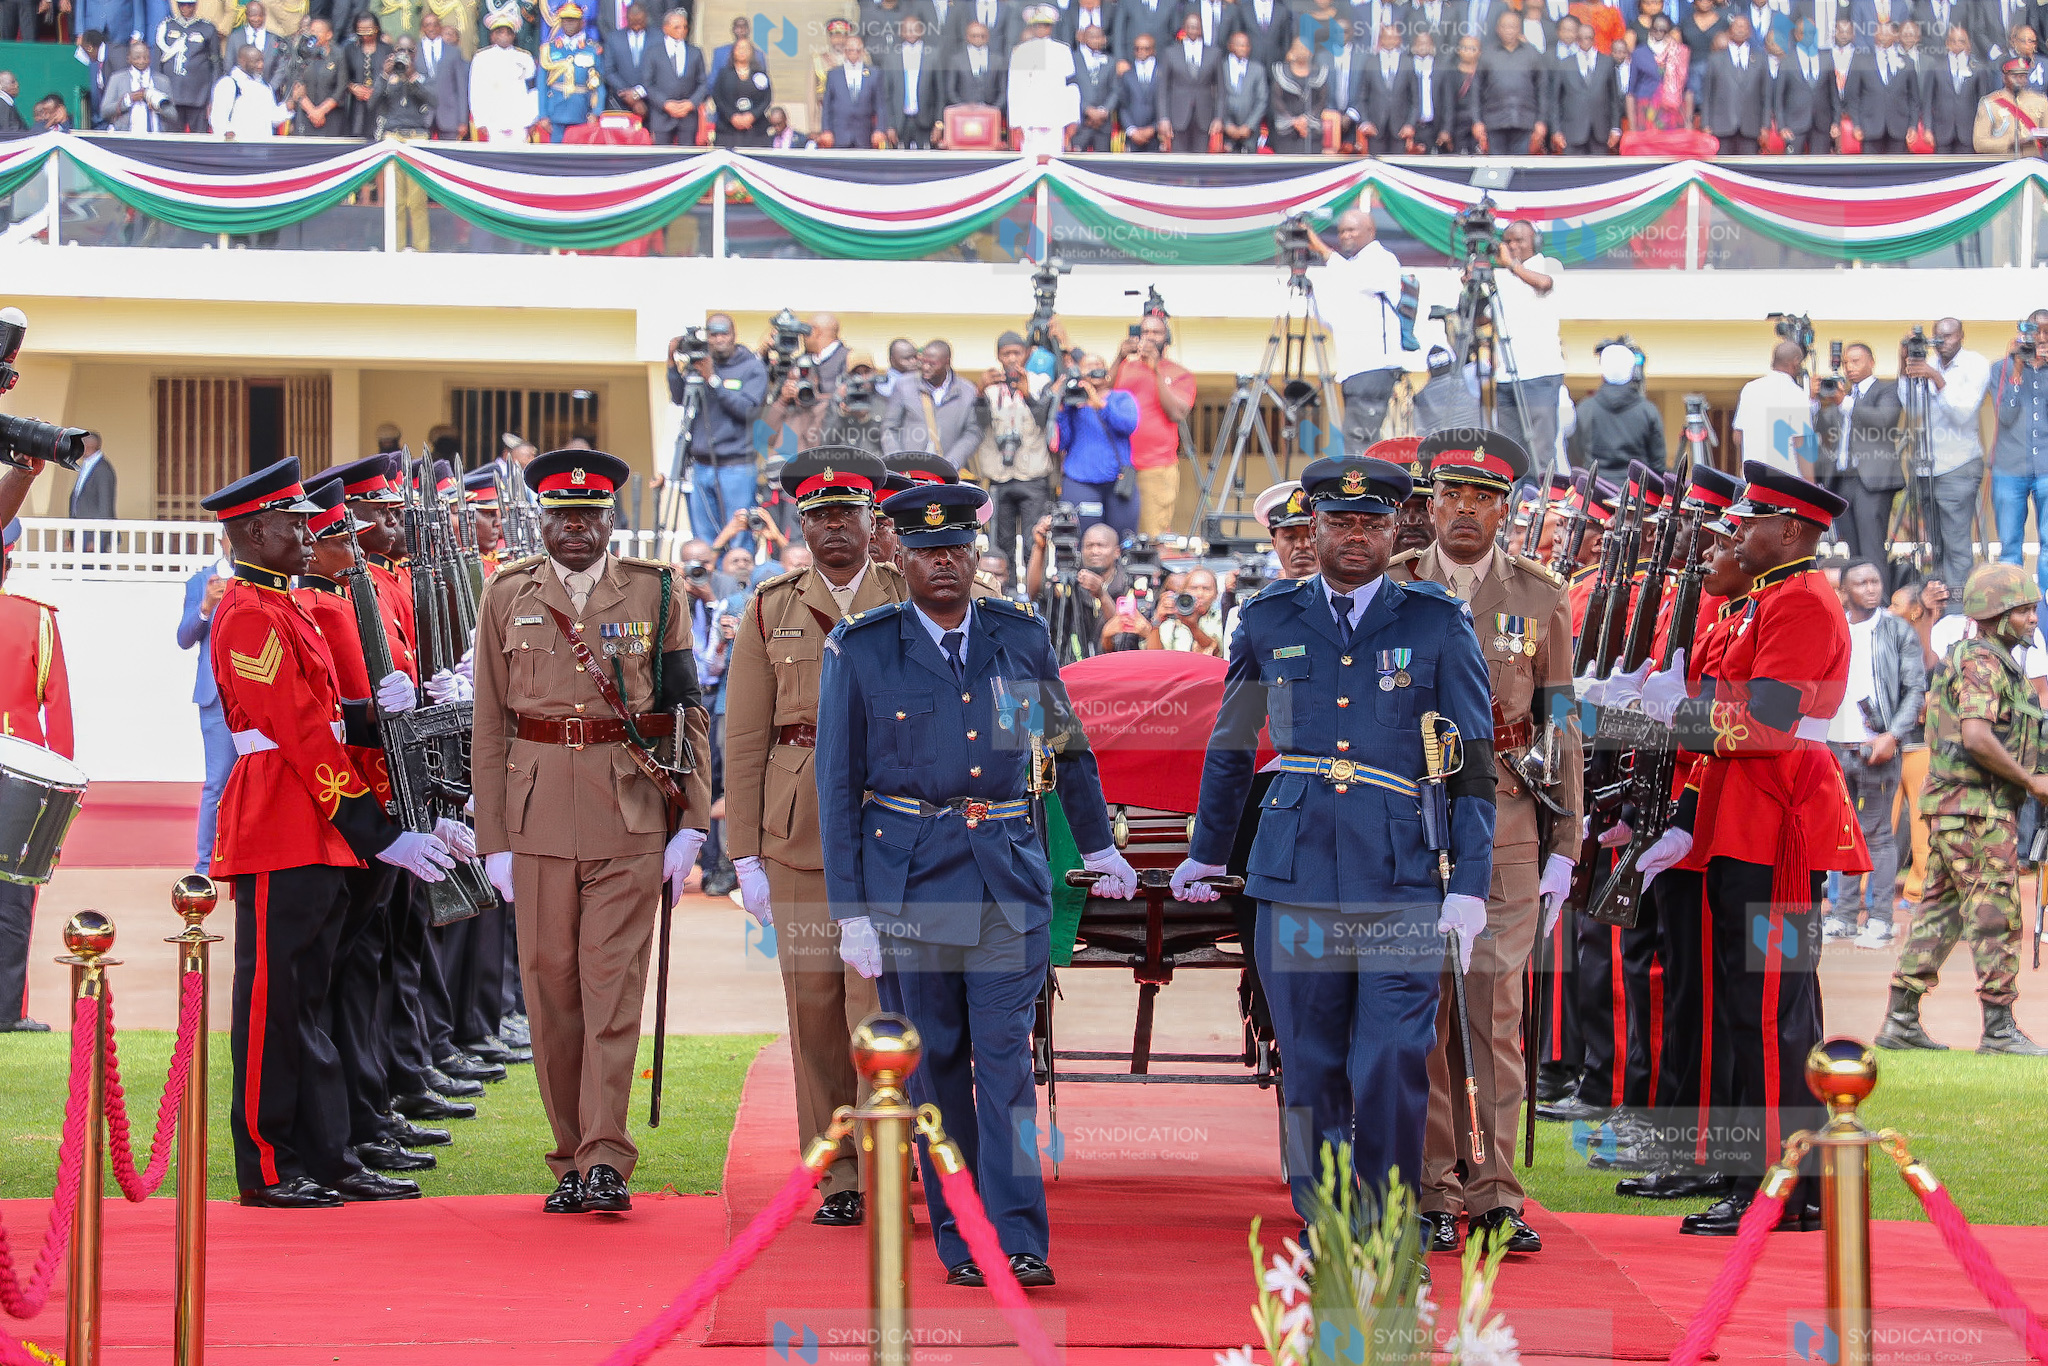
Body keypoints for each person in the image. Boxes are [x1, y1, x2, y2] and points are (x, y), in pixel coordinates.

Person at [815, 480, 1136, 1288]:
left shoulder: (1018, 640)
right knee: (939, 1069)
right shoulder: (863, 649)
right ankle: (966, 1243)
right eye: (928, 552)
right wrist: (852, 914)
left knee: (1007, 1066)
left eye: (959, 549)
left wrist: (1099, 848)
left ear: (978, 555)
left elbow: (1065, 751)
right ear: (901, 556)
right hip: (913, 881)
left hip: (1005, 874)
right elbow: (835, 788)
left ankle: (1022, 1239)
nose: (946, 564)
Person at [1172, 452, 1496, 1244]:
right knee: (1310, 1064)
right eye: (1340, 522)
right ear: (1309, 529)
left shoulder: (1435, 621)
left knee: (1391, 1058)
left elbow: (1474, 758)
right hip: (1294, 867)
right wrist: (1208, 849)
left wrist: (1471, 883)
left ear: (1395, 531)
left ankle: (1387, 1219)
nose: (1357, 536)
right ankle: (1324, 1220)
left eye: (1373, 523)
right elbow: (1231, 739)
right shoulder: (1267, 618)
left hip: (1403, 873)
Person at [1615, 460, 1865, 1237]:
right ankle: (1756, 1165)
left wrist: (1674, 715)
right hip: (1742, 823)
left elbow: (1765, 727)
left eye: (1751, 522)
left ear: (1791, 530)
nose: (1736, 532)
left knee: (1769, 1011)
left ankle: (1786, 1184)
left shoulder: (1801, 603)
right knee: (1747, 1004)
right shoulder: (1770, 600)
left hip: (1778, 829)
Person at [200, 458, 457, 1209]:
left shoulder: (289, 607)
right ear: (252, 530)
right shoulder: (250, 612)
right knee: (275, 1005)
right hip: (282, 820)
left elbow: (337, 722)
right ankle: (268, 1165)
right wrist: (379, 831)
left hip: (316, 822)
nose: (309, 535)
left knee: (311, 999)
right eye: (293, 523)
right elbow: (303, 735)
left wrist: (391, 720)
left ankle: (329, 1152)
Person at [471, 450, 712, 1215]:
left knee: (612, 988)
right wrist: (494, 838)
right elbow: (487, 721)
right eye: (562, 517)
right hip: (537, 813)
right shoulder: (507, 592)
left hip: (629, 811)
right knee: (551, 990)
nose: (576, 530)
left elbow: (684, 709)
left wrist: (693, 820)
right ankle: (569, 1154)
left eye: (591, 516)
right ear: (541, 520)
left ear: (611, 520)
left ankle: (606, 1157)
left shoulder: (655, 588)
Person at [1385, 428, 1579, 1257]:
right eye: (1452, 496)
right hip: (1411, 819)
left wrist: (1566, 837)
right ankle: (1434, 1186)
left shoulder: (1539, 595)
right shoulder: (1392, 587)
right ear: (1427, 504)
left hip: (1504, 823)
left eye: (1485, 499)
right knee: (1426, 1009)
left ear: (1506, 509)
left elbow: (1563, 719)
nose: (1467, 512)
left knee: (1497, 1013)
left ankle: (1497, 1190)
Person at [724, 449, 906, 1228]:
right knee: (815, 1006)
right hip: (798, 832)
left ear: (874, 521)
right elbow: (744, 734)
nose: (835, 528)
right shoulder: (770, 606)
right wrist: (742, 852)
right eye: (820, 516)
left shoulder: (908, 592)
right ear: (799, 525)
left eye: (849, 514)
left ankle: (886, 1164)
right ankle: (836, 1177)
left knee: (882, 1000)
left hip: (889, 823)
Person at [1877, 564, 2048, 1056]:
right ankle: (1998, 1029)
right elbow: (1976, 735)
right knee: (1997, 913)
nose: (2033, 619)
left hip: (1963, 808)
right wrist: (2032, 782)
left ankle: (1900, 1019)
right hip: (1975, 809)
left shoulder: (1992, 660)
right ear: (1997, 616)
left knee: (1939, 914)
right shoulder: (1983, 662)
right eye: (2024, 611)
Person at [1823, 559, 1925, 948]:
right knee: (1841, 833)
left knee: (1879, 834)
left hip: (1876, 747)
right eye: (1861, 583)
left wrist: (1893, 737)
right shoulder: (1830, 628)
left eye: (1874, 581)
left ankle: (1880, 918)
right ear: (1845, 592)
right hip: (1833, 746)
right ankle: (1845, 915)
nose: (1871, 588)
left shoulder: (1897, 630)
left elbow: (1915, 689)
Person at [0, 519, 69, 1035]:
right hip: (20, 776)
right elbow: (58, 715)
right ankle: (6, 1009)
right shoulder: (35, 619)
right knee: (13, 894)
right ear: (12, 553)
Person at [1901, 318, 1991, 612]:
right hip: (1927, 465)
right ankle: (1938, 606)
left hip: (1959, 464)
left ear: (1961, 335)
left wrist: (1936, 379)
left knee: (1956, 543)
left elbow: (1964, 414)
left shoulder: (1975, 364)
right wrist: (1904, 367)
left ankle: (1959, 610)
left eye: (1949, 336)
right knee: (1935, 545)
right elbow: (1911, 408)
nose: (1943, 342)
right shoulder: (1927, 361)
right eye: (1938, 337)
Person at [1310, 208, 1410, 456]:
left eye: (1352, 229)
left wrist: (1322, 250)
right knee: (1356, 441)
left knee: (1359, 442)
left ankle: (1360, 493)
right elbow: (1331, 319)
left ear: (1370, 231)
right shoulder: (1348, 269)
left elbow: (1358, 278)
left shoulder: (1382, 259)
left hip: (1374, 367)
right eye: (1341, 231)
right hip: (1354, 369)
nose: (1345, 236)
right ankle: (1360, 489)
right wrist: (1310, 292)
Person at [670, 313, 768, 552]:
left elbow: (748, 411)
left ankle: (738, 586)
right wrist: (671, 363)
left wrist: (713, 380)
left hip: (736, 466)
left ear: (734, 335)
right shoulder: (699, 363)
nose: (720, 339)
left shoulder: (751, 367)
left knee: (738, 537)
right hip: (702, 465)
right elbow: (678, 396)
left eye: (725, 333)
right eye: (714, 334)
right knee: (705, 539)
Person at [1812, 342, 1905, 590]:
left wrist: (1846, 404)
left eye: (1856, 361)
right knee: (1852, 551)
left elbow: (1885, 422)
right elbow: (1823, 429)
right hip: (1842, 481)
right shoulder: (1841, 396)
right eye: (1846, 363)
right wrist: (1816, 401)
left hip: (1872, 481)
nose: (1850, 368)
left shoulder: (1886, 390)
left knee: (1872, 548)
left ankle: (1880, 607)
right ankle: (1856, 606)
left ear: (1871, 362)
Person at [1484, 221, 1567, 477]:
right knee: (1509, 454)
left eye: (1519, 240)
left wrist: (1511, 265)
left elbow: (1544, 284)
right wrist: (1471, 288)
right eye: (1508, 241)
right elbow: (1482, 319)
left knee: (1540, 451)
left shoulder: (1548, 264)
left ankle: (1543, 510)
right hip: (1507, 377)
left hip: (1540, 374)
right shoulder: (1503, 277)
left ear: (1535, 242)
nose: (1512, 246)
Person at [972, 332, 1057, 565]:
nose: (1011, 358)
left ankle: (1032, 594)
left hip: (1033, 475)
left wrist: (1028, 394)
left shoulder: (1041, 382)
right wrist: (979, 392)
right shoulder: (988, 386)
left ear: (1026, 354)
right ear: (998, 355)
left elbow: (1045, 422)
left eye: (1016, 353)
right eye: (1005, 353)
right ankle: (1004, 593)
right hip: (1000, 476)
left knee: (1034, 541)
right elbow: (979, 425)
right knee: (1000, 542)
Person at [1111, 312, 1194, 538]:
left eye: (1156, 332)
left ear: (1167, 338)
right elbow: (1102, 395)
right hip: (1120, 466)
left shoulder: (1179, 374)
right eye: (1144, 331)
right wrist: (1119, 358)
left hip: (1156, 467)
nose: (1149, 337)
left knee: (1150, 537)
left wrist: (1156, 368)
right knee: (1118, 536)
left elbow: (1177, 412)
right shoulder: (1126, 367)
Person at [179, 551, 236, 876]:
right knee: (217, 782)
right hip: (216, 696)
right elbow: (184, 638)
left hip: (256, 693)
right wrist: (205, 608)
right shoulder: (201, 581)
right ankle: (204, 868)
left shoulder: (262, 577)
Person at [1991, 310, 2048, 596]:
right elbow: (2004, 416)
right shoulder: (2000, 368)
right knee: (2010, 545)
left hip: (2047, 468)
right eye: (2035, 332)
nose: (2040, 338)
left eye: (2046, 332)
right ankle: (2011, 603)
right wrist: (2016, 369)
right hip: (2009, 468)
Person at [1052, 353, 1140, 539]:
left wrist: (1099, 403)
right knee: (1081, 540)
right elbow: (1062, 443)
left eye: (1097, 364)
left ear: (1107, 373)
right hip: (1081, 481)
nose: (1093, 369)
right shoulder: (1073, 403)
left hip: (1118, 483)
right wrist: (1061, 408)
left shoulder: (1121, 398)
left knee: (1122, 539)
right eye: (1087, 366)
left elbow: (1128, 424)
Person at [1026, 518, 1129, 663]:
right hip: (1073, 662)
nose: (1095, 551)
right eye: (1089, 546)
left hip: (1112, 665)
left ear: (1117, 551)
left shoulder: (1126, 582)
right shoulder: (1070, 580)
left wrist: (1101, 594)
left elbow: (1122, 634)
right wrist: (1039, 547)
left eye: (1101, 546)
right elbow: (1034, 593)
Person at [881, 340, 984, 471]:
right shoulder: (904, 385)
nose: (925, 367)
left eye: (932, 364)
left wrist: (952, 463)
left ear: (947, 362)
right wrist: (897, 461)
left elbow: (973, 432)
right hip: (908, 472)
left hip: (949, 475)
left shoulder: (967, 391)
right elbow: (889, 428)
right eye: (923, 362)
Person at [1573, 344, 1666, 488]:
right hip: (1636, 495)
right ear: (1632, 370)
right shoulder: (1648, 410)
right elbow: (1658, 463)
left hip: (1595, 491)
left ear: (1602, 371)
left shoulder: (1585, 408)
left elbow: (1578, 452)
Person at [1731, 338, 1816, 476]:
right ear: (1795, 362)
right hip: (1785, 482)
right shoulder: (1797, 394)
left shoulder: (1750, 389)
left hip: (1753, 480)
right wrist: (1811, 490)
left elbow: (1737, 437)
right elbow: (1802, 445)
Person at [1475, 10, 1548, 154]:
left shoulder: (1532, 53)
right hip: (1494, 120)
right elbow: (1476, 90)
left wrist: (1541, 120)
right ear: (1497, 29)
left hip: (1524, 120)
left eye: (1512, 26)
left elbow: (1542, 89)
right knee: (1497, 168)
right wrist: (1477, 121)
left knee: (1520, 171)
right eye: (1504, 26)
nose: (1508, 30)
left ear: (1519, 28)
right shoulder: (1487, 54)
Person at [1699, 13, 1770, 152]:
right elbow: (1707, 94)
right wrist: (1706, 124)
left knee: (1747, 171)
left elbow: (1766, 95)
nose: (1740, 29)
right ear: (1729, 30)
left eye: (1744, 26)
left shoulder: (1760, 60)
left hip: (1750, 127)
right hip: (1721, 127)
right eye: (1736, 26)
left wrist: (1765, 125)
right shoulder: (1715, 59)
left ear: (1749, 32)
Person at [1552, 19, 1623, 151]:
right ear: (1576, 40)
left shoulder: (1607, 62)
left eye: (1588, 38)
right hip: (1572, 131)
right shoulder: (1564, 64)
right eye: (1581, 38)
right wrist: (1556, 130)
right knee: (1574, 171)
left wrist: (1615, 127)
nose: (1585, 41)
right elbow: (1556, 100)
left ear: (1594, 39)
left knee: (1600, 170)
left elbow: (1614, 98)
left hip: (1601, 131)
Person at [1158, 9, 1222, 151]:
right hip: (1178, 115)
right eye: (1190, 26)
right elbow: (1163, 89)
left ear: (1201, 29)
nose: (1193, 30)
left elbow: (1221, 90)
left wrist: (1219, 117)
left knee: (1201, 164)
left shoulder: (1214, 53)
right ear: (1184, 28)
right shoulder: (1171, 53)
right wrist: (1163, 117)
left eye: (1197, 27)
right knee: (1179, 163)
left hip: (1204, 117)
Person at [643, 8, 707, 145]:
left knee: (687, 159)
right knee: (662, 159)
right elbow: (648, 83)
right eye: (677, 27)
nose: (682, 30)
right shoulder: (653, 52)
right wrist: (665, 104)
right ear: (665, 28)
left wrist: (690, 103)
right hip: (662, 115)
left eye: (684, 27)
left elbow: (703, 83)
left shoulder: (695, 52)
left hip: (688, 117)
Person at [537, 1, 601, 138]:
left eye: (573, 21)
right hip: (555, 112)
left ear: (582, 23)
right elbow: (542, 85)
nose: (569, 24)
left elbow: (599, 85)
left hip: (581, 112)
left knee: (580, 157)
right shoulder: (549, 49)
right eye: (565, 21)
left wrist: (596, 112)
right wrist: (543, 115)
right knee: (555, 157)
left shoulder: (592, 50)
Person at [155, 0, 221, 131]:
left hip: (199, 94)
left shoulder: (207, 28)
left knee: (199, 140)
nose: (186, 8)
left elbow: (216, 63)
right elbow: (157, 62)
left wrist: (213, 96)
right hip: (171, 94)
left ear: (195, 5)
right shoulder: (166, 26)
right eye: (182, 4)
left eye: (190, 5)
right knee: (171, 140)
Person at [884, 13, 941, 146]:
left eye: (914, 28)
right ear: (901, 32)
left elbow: (940, 93)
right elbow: (887, 95)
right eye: (907, 29)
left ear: (921, 30)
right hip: (900, 121)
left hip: (926, 121)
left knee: (925, 163)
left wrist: (939, 124)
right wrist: (890, 125)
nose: (910, 32)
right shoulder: (891, 57)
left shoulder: (933, 56)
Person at [1627, 12, 1691, 129]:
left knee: (1671, 147)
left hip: (1673, 111)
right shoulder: (1638, 53)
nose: (1658, 33)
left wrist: (1689, 122)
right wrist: (1632, 126)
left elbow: (1688, 90)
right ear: (1650, 29)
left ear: (1668, 32)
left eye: (1663, 30)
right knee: (1647, 147)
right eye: (1655, 29)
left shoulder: (1678, 53)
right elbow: (1630, 92)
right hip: (1646, 110)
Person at [820, 33, 884, 147]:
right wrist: (826, 130)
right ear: (845, 51)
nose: (854, 54)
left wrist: (880, 129)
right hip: (839, 133)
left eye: (858, 50)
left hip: (864, 133)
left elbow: (880, 105)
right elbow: (827, 105)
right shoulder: (834, 74)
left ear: (862, 51)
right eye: (851, 50)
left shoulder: (874, 73)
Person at [1266, 37, 1330, 152]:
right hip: (1286, 133)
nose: (1302, 51)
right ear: (1292, 50)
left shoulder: (1320, 73)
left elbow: (1322, 101)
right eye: (1298, 47)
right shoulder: (1280, 72)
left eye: (1305, 48)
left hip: (1311, 132)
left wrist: (1305, 120)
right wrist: (1294, 121)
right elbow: (1276, 101)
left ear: (1311, 52)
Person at [211, 40, 286, 136]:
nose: (261, 65)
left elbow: (273, 118)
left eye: (262, 60)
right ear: (242, 61)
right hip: (237, 147)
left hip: (262, 147)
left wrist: (288, 107)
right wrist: (227, 134)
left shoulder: (265, 86)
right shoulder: (229, 84)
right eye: (256, 61)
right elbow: (218, 118)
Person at [1974, 53, 2048, 151]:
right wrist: (2010, 142)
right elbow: (1979, 144)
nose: (2019, 80)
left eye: (2023, 76)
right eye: (2015, 76)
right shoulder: (1990, 103)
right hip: (2004, 162)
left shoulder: (2040, 101)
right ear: (2004, 77)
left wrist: (2044, 141)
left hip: (2033, 161)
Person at [103, 39, 176, 132]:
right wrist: (129, 100)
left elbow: (173, 114)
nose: (142, 61)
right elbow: (104, 111)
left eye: (146, 57)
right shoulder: (117, 79)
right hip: (126, 137)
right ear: (128, 58)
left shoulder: (162, 81)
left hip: (156, 138)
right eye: (137, 57)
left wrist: (158, 107)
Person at [1147, 565, 1224, 654]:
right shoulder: (1172, 622)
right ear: (1183, 592)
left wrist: (1192, 626)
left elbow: (1216, 651)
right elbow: (1154, 656)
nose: (1200, 594)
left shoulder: (1221, 619)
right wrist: (1157, 621)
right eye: (1194, 588)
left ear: (1216, 594)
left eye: (1206, 589)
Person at [712, 36, 773, 146]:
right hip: (727, 129)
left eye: (746, 48)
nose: (742, 51)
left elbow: (766, 98)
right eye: (739, 48)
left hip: (755, 130)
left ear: (752, 52)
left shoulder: (760, 74)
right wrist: (732, 116)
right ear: (733, 51)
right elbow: (718, 97)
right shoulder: (724, 73)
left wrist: (752, 116)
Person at [1254, 479, 1319, 579]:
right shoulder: (1268, 595)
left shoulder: (1349, 593)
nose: (1302, 545)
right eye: (1290, 537)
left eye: (1312, 536)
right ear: (1274, 543)